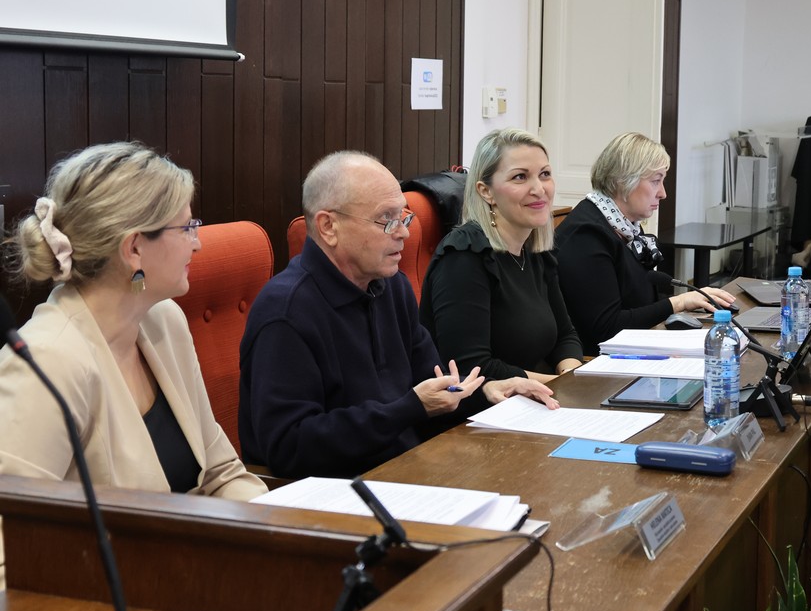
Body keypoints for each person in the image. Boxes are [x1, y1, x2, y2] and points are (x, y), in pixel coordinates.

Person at [239, 151, 555, 478]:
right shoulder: (286, 311)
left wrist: (486, 391)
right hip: (336, 491)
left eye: (403, 218)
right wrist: (409, 408)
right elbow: (289, 447)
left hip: (409, 467)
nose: (403, 233)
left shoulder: (391, 287)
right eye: (386, 220)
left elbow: (430, 386)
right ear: (328, 226)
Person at [0, 142, 266, 502]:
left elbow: (220, 473)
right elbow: (10, 527)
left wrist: (279, 523)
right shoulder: (46, 363)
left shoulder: (165, 320)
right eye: (186, 228)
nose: (197, 244)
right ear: (134, 248)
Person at [422, 128, 583, 400]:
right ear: (486, 191)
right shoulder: (463, 256)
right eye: (520, 177)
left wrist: (570, 373)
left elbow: (565, 335)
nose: (539, 189)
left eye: (545, 174)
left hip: (539, 400)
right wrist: (562, 385)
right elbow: (471, 367)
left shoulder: (535, 250)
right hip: (481, 411)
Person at [555, 132, 736, 354]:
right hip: (599, 362)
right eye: (655, 181)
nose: (663, 193)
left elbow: (640, 302)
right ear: (622, 181)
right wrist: (678, 303)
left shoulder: (625, 226)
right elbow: (606, 330)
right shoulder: (586, 236)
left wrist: (686, 302)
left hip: (632, 351)